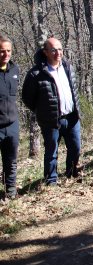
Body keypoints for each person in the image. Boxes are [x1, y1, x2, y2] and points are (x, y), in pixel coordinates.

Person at [22, 37, 81, 186]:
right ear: (45, 52)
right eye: (53, 50)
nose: (58, 53)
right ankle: (51, 181)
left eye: (60, 49)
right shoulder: (36, 73)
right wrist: (42, 110)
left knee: (75, 147)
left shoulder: (67, 67)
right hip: (51, 120)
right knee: (51, 152)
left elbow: (74, 90)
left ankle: (71, 172)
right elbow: (27, 98)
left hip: (72, 116)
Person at [0, 36, 19, 199]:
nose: (5, 54)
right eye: (1, 51)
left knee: (11, 161)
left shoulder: (15, 69)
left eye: (8, 50)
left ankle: (11, 192)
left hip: (12, 124)